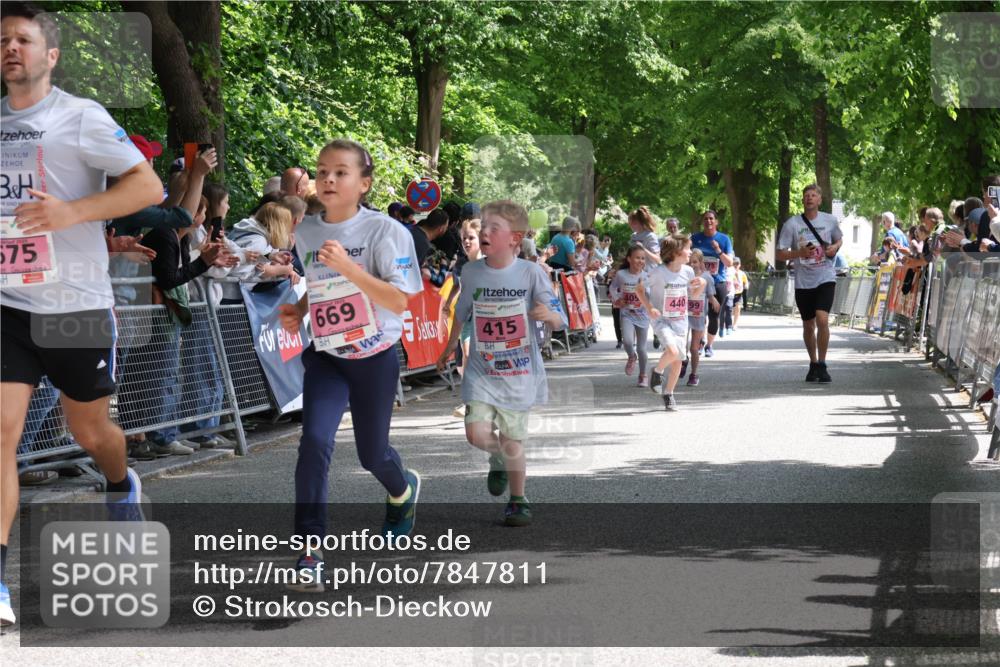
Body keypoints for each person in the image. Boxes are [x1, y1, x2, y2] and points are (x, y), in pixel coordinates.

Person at [1, 2, 164, 627]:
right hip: (10, 304)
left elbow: (147, 189)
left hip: (75, 306)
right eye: (2, 40)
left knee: (89, 433)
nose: (11, 48)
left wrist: (72, 213)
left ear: (51, 55)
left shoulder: (80, 116)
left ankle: (121, 484)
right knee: (1, 434)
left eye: (23, 39)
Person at [278, 139, 423, 590]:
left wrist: (347, 266)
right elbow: (322, 285)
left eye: (341, 172)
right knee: (315, 442)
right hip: (327, 356)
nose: (328, 179)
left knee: (371, 454)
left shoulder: (385, 232)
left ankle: (403, 489)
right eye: (322, 171)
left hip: (375, 356)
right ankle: (309, 551)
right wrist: (300, 310)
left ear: (364, 183)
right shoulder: (306, 231)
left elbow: (399, 300)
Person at [436, 200, 566, 526]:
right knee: (476, 433)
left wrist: (548, 315)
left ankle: (518, 499)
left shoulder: (531, 272)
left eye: (495, 228)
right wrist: (449, 348)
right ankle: (496, 457)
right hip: (481, 368)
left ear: (514, 239)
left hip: (518, 371)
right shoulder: (472, 272)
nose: (486, 233)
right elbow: (462, 311)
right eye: (484, 226)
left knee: (513, 438)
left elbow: (560, 316)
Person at [776, 184, 844, 383]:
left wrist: (833, 248)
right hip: (803, 281)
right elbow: (780, 252)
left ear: (819, 200)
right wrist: (799, 253)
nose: (809, 198)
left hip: (825, 276)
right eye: (806, 195)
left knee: (822, 319)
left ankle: (822, 364)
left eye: (813, 195)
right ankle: (813, 363)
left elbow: (839, 240)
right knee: (808, 325)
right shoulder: (792, 224)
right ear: (803, 200)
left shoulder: (830, 220)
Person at [636, 234, 705, 410]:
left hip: (681, 321)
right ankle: (656, 372)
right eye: (688, 248)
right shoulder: (658, 272)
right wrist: (649, 307)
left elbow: (692, 296)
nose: (691, 252)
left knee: (677, 362)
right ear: (677, 251)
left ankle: (669, 394)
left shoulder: (688, 272)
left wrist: (702, 285)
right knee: (673, 350)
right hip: (662, 320)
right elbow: (639, 289)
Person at [690, 210, 734, 356]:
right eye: (705, 219)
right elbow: (686, 256)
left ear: (716, 222)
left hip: (717, 282)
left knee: (714, 316)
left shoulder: (724, 239)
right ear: (703, 222)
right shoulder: (695, 238)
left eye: (711, 219)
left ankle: (709, 345)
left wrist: (718, 251)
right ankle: (700, 341)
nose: (708, 221)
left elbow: (729, 263)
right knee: (698, 314)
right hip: (698, 282)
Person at [609, 244, 651, 387]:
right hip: (627, 313)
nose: (640, 261)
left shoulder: (646, 276)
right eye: (637, 258)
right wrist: (617, 299)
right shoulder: (621, 275)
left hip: (643, 316)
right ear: (629, 259)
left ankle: (643, 375)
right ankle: (631, 357)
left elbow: (651, 296)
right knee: (627, 341)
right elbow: (613, 287)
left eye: (643, 258)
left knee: (642, 348)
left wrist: (644, 290)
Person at [680, 249, 717, 387]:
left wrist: (714, 300)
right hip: (684, 316)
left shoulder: (707, 277)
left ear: (701, 263)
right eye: (689, 262)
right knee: (681, 345)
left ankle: (694, 374)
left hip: (699, 317)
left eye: (695, 262)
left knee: (694, 348)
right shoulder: (682, 275)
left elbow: (710, 294)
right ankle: (683, 361)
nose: (692, 265)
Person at [731, 257, 749, 330]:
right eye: (734, 263)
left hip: (739, 293)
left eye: (737, 264)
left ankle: (735, 324)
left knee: (738, 308)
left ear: (740, 265)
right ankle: (728, 322)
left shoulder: (742, 273)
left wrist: (746, 286)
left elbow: (746, 282)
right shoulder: (730, 272)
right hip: (731, 293)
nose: (736, 265)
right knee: (730, 310)